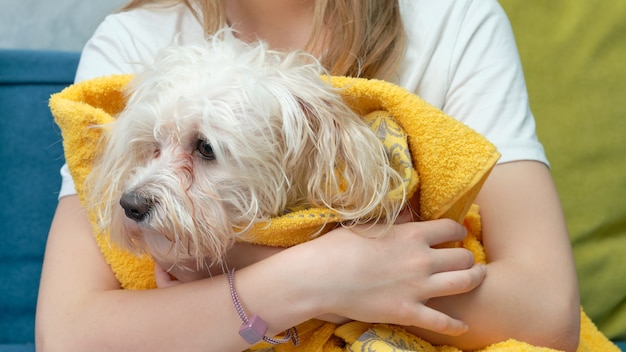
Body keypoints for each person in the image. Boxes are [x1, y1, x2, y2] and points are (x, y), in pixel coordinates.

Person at [35, 0, 580, 351]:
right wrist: (316, 278)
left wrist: (238, 269)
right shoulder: (133, 40)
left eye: (205, 148)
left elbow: (549, 314)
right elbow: (68, 336)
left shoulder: (456, 21)